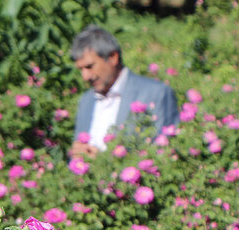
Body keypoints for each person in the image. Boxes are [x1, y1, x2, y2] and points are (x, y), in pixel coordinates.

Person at [70, 25, 179, 157]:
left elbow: (162, 154)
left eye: (89, 67)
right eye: (80, 69)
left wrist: (103, 161)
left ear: (112, 57)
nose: (85, 77)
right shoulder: (87, 100)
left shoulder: (155, 94)